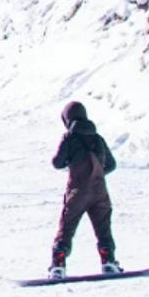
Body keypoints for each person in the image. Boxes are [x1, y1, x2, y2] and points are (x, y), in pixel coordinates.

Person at [50, 101, 121, 278]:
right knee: (103, 229)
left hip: (77, 192)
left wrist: (72, 163)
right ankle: (109, 262)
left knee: (66, 229)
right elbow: (111, 165)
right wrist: (96, 175)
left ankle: (58, 265)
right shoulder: (98, 138)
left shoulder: (69, 138)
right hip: (100, 192)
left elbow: (57, 163)